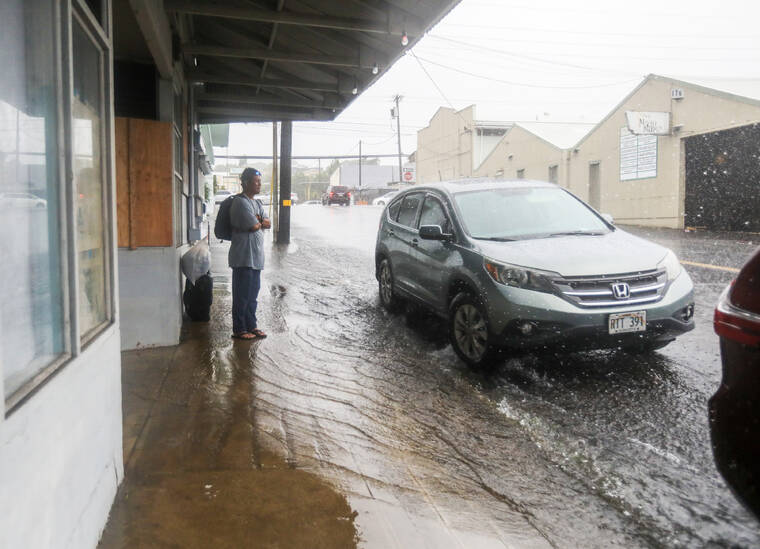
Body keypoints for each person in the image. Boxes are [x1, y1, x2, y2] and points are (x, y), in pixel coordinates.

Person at [229, 167, 271, 340]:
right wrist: (258, 221)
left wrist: (259, 220)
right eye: (256, 181)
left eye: (260, 181)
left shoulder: (258, 203)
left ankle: (251, 326)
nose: (259, 184)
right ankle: (239, 329)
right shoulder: (240, 202)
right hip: (243, 257)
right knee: (242, 296)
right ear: (246, 183)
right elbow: (253, 226)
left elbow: (267, 223)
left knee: (252, 296)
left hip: (256, 258)